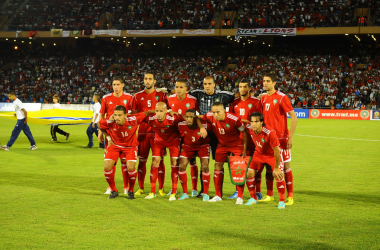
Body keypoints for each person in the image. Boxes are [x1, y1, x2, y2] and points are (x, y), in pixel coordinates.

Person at [144, 102, 206, 201]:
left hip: (173, 141)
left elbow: (189, 118)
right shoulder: (151, 118)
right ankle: (152, 192)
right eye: (157, 111)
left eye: (161, 111)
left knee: (174, 163)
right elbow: (136, 117)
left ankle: (173, 192)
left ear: (166, 111)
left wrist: (201, 127)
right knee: (155, 161)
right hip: (159, 141)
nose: (158, 113)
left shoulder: (173, 118)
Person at [189, 76, 235, 198]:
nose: (207, 86)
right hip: (203, 132)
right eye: (205, 84)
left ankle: (219, 191)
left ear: (214, 84)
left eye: (209, 83)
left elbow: (237, 95)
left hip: (217, 133)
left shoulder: (224, 95)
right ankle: (204, 191)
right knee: (204, 162)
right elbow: (181, 91)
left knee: (219, 162)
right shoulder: (198, 93)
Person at [99, 105, 154, 199]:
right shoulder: (110, 121)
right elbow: (99, 125)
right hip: (115, 145)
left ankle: (131, 191)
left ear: (125, 115)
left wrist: (163, 111)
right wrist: (108, 138)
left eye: (120, 115)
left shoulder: (134, 119)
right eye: (115, 115)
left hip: (130, 147)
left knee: (130, 167)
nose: (117, 117)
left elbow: (147, 113)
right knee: (107, 166)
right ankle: (113, 190)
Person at [261, 74, 297, 205]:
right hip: (267, 138)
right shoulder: (263, 98)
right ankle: (269, 194)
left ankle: (290, 196)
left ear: (274, 83)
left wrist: (290, 137)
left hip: (281, 138)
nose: (265, 83)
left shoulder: (282, 97)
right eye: (264, 81)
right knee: (269, 166)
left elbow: (293, 116)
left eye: (268, 81)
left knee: (285, 166)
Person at [201, 102, 247, 202]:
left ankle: (240, 197)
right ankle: (218, 195)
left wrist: (244, 148)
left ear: (224, 111)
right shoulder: (209, 115)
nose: (215, 114)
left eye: (218, 112)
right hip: (222, 145)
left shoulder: (234, 119)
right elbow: (198, 118)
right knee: (217, 166)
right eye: (214, 112)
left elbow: (244, 132)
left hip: (236, 145)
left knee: (238, 169)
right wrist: (201, 127)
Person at [131, 72, 168, 197]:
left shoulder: (162, 95)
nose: (147, 81)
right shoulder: (137, 96)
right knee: (142, 161)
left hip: (158, 133)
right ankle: (141, 187)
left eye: (150, 79)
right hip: (143, 132)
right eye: (146, 79)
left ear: (154, 81)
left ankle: (161, 188)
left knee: (160, 161)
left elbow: (167, 113)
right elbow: (135, 116)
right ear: (143, 81)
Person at [242, 112, 286, 209]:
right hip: (258, 154)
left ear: (262, 122)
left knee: (277, 175)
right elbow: (241, 122)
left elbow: (277, 152)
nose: (253, 124)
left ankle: (282, 201)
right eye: (252, 121)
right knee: (249, 173)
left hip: (272, 155)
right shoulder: (249, 128)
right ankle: (253, 199)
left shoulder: (270, 133)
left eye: (256, 122)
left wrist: (276, 168)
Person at [228, 79, 263, 199]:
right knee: (238, 165)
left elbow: (260, 120)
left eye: (245, 87)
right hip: (238, 138)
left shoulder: (256, 102)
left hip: (253, 138)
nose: (242, 89)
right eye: (240, 87)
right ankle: (237, 191)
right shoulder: (234, 102)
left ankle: (258, 191)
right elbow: (231, 119)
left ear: (249, 88)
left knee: (256, 165)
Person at [98, 77, 134, 195]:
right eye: (114, 84)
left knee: (124, 161)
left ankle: (126, 186)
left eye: (118, 84)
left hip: (124, 136)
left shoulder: (129, 98)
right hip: (110, 134)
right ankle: (111, 187)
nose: (116, 87)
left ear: (123, 85)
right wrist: (100, 132)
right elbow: (102, 116)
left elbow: (132, 116)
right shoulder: (106, 98)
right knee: (110, 161)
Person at [168, 80, 200, 197]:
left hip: (188, 133)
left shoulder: (192, 100)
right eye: (176, 87)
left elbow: (197, 116)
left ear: (186, 89)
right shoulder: (170, 99)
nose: (178, 89)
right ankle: (175, 188)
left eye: (181, 87)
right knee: (176, 162)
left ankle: (194, 189)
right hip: (175, 134)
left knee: (192, 161)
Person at [177, 109, 211, 201]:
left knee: (205, 167)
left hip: (202, 146)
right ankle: (185, 193)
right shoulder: (181, 125)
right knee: (181, 166)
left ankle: (206, 194)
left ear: (195, 118)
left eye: (191, 117)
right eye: (187, 116)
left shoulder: (205, 125)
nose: (188, 119)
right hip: (188, 146)